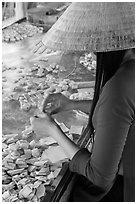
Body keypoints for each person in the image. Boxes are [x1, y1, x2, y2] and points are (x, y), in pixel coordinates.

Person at [30, 2, 135, 202]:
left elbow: (100, 177)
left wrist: (52, 130)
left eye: (92, 47)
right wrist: (71, 104)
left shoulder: (118, 87)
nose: (90, 52)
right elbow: (119, 117)